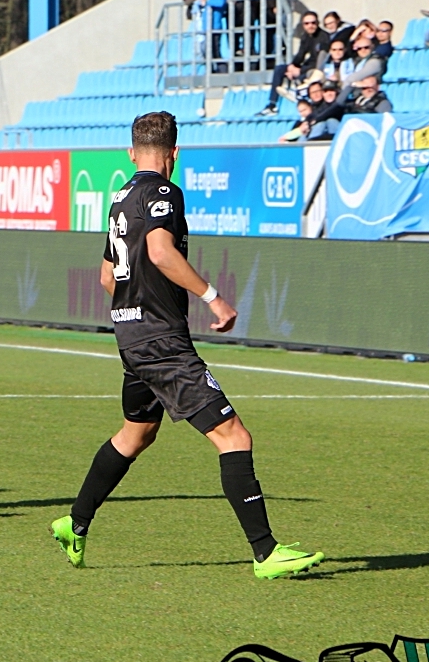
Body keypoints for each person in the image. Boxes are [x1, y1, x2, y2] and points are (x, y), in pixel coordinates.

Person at [48, 111, 324, 579]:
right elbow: (159, 251)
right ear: (175, 153)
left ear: (132, 153)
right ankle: (266, 553)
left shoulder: (120, 199)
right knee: (233, 435)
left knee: (136, 434)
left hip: (131, 335)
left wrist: (133, 311)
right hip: (160, 341)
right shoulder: (162, 192)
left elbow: (106, 275)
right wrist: (213, 299)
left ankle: (74, 522)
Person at [259, 11, 327, 116]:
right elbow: (300, 55)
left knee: (305, 75)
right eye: (307, 23)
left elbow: (321, 61)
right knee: (279, 69)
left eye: (313, 23)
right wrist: (292, 67)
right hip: (307, 65)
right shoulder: (305, 36)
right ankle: (272, 104)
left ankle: (302, 103)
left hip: (316, 69)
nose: (310, 26)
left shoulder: (324, 37)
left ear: (318, 23)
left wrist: (300, 70)